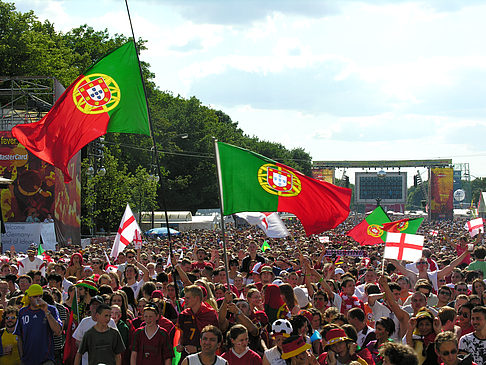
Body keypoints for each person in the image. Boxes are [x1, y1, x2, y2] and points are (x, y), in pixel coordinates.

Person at [15, 284, 62, 365]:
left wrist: (46, 312)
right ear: (29, 297)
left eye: (40, 296)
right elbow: (19, 336)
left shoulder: (51, 309)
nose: (38, 299)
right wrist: (22, 357)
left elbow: (58, 331)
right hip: (28, 359)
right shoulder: (23, 312)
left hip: (46, 359)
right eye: (35, 296)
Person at [176, 285, 219, 360]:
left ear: (197, 298)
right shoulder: (184, 315)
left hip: (205, 356)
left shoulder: (210, 314)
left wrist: (198, 349)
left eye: (188, 298)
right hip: (187, 355)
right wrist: (180, 345)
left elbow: (215, 339)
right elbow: (181, 335)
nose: (185, 300)